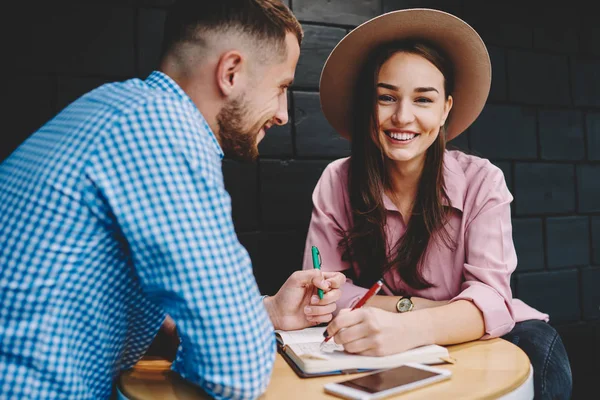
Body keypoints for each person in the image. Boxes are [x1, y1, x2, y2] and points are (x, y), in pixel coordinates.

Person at [0, 1, 345, 399]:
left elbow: (136, 315)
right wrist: (240, 334)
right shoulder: (160, 132)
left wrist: (268, 313)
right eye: (282, 86)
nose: (284, 114)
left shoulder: (121, 108)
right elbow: (237, 370)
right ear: (230, 73)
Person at [302, 8, 572, 400]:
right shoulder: (338, 180)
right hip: (378, 343)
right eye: (386, 97)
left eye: (423, 100)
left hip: (474, 336)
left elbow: (492, 301)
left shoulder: (483, 181)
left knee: (539, 352)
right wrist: (418, 307)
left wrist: (403, 324)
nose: (402, 117)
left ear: (445, 109)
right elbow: (323, 293)